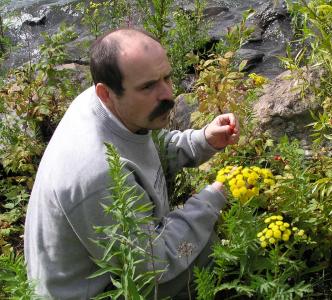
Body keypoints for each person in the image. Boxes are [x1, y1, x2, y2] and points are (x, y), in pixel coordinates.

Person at [24, 28, 239, 299]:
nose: (168, 95)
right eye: (148, 86)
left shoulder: (105, 105)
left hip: (117, 262)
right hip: (97, 291)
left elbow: (144, 145)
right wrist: (210, 200)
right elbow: (152, 263)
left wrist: (202, 141)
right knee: (208, 249)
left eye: (167, 77)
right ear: (106, 93)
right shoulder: (97, 173)